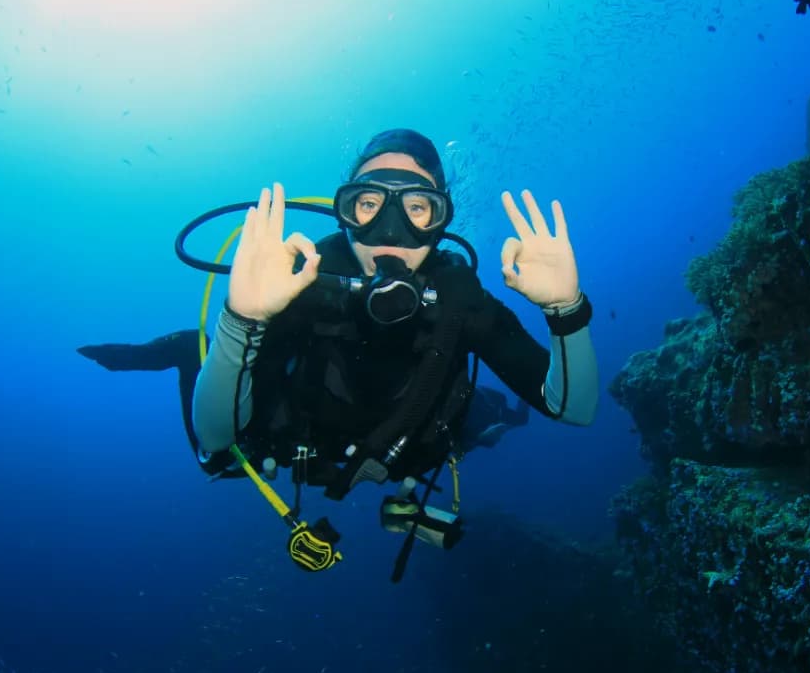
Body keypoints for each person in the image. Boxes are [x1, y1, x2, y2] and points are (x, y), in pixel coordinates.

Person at [191, 128, 596, 561]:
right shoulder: (299, 284)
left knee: (482, 421)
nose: (389, 231)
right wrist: (243, 319)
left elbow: (575, 409)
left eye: (417, 207)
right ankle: (185, 350)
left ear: (440, 221)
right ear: (346, 212)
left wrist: (565, 310)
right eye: (369, 204)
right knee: (218, 454)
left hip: (411, 449)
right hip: (304, 443)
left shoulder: (461, 299)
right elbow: (215, 437)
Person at [77, 329, 531, 458]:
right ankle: (140, 356)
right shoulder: (454, 406)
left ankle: (141, 355)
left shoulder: (451, 408)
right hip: (273, 409)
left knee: (192, 350)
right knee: (214, 446)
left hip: (257, 426)